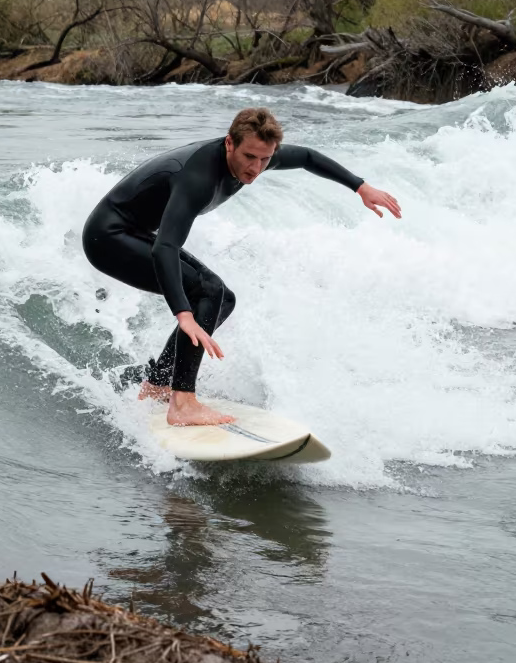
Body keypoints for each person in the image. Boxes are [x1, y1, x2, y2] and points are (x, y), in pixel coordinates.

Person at [82, 107, 401, 427]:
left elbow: (307, 157)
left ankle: (158, 385)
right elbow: (166, 247)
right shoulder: (198, 177)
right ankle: (182, 403)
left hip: (136, 232)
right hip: (108, 238)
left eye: (265, 159)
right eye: (250, 156)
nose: (256, 168)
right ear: (229, 144)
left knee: (223, 298)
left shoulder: (260, 153)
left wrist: (360, 187)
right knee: (207, 290)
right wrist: (183, 313)